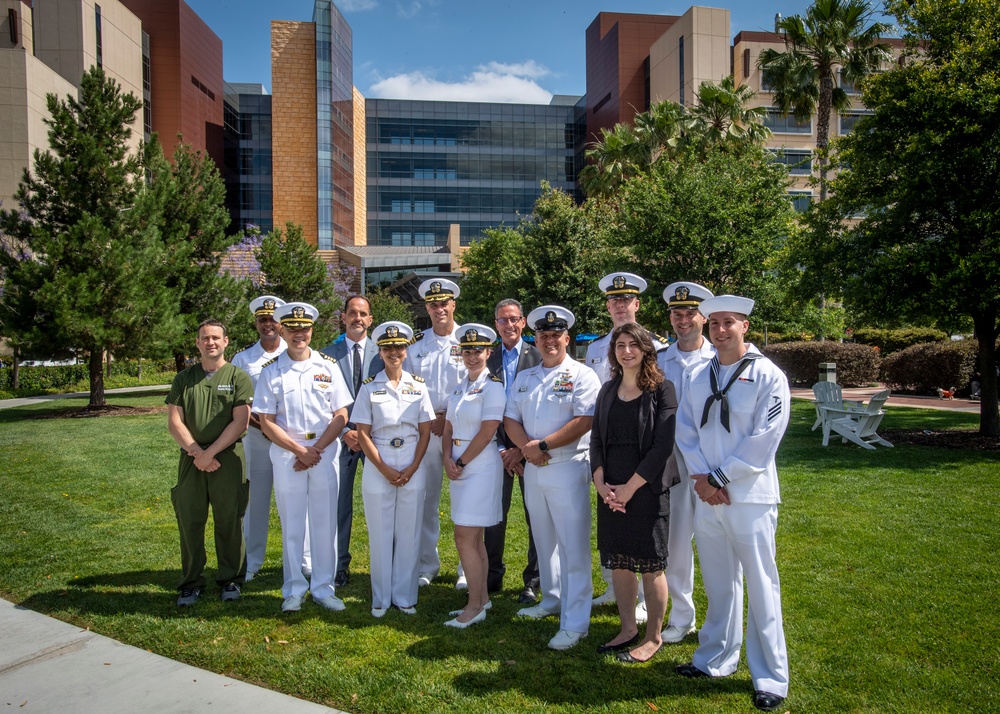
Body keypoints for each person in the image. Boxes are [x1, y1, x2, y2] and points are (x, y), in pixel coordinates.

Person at [673, 295, 791, 713]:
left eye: (730, 323)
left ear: (745, 326)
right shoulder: (700, 375)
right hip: (707, 494)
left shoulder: (767, 375)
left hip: (750, 496)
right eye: (716, 323)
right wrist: (703, 478)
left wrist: (721, 477)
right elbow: (686, 430)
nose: (721, 330)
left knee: (761, 585)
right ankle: (714, 659)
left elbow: (765, 437)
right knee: (720, 583)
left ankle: (771, 677)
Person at [504, 305, 601, 651]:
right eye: (543, 335)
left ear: (566, 338)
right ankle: (552, 598)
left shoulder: (582, 375)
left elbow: (585, 419)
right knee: (543, 539)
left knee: (573, 545)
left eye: (555, 335)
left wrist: (542, 444)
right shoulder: (526, 377)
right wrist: (528, 449)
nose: (549, 341)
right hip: (534, 467)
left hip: (567, 465)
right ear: (537, 339)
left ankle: (576, 621)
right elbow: (510, 418)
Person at [253, 302, 352, 613]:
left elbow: (341, 413)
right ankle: (294, 588)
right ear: (282, 329)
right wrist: (300, 452)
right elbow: (266, 420)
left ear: (312, 330)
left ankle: (324, 587)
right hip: (287, 456)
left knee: (325, 524)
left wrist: (316, 450)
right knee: (293, 525)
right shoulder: (272, 371)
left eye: (304, 329)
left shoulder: (328, 366)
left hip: (323, 453)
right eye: (293, 329)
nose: (299, 334)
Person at [591, 322, 677, 663]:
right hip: (610, 489)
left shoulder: (662, 389)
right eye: (620, 345)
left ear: (646, 350)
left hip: (646, 489)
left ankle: (653, 636)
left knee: (650, 564)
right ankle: (627, 629)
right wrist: (599, 481)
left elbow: (662, 446)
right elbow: (596, 438)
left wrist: (629, 488)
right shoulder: (607, 390)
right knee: (620, 562)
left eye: (633, 345)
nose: (626, 351)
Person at [586, 272, 668, 616]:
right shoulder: (593, 349)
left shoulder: (660, 345)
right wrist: (601, 476)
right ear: (608, 306)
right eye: (614, 301)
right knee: (614, 538)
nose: (620, 305)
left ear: (637, 304)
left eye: (626, 300)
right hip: (610, 449)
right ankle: (615, 589)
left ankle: (657, 605)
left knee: (655, 543)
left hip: (646, 457)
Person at [166, 319, 253, 606]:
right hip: (192, 460)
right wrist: (197, 453)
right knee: (190, 521)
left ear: (226, 341)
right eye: (205, 338)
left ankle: (231, 580)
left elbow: (241, 422)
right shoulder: (184, 378)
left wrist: (211, 453)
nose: (211, 342)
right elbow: (174, 421)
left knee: (229, 520)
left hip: (227, 460)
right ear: (197, 343)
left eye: (216, 337)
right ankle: (191, 582)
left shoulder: (238, 377)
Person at [353, 321, 435, 617]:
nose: (394, 352)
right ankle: (380, 598)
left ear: (406, 350)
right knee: (381, 533)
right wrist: (384, 468)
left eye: (399, 347)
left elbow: (426, 430)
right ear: (380, 351)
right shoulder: (369, 387)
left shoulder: (418, 386)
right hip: (380, 460)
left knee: (409, 532)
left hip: (412, 458)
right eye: (388, 347)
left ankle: (404, 597)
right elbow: (362, 432)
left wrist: (413, 466)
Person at [656, 282, 716, 644]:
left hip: (712, 462)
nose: (683, 320)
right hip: (672, 462)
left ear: (703, 316)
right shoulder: (661, 360)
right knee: (676, 543)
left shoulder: (721, 357)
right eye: (677, 314)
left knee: (715, 543)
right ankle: (682, 616)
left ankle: (721, 620)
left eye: (690, 313)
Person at [402, 278, 466, 588]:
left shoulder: (469, 339)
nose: (439, 308)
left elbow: (474, 385)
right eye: (433, 304)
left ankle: (467, 568)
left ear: (454, 304)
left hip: (461, 431)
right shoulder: (415, 344)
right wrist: (433, 417)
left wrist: (447, 415)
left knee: (465, 498)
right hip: (426, 431)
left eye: (444, 303)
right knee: (425, 500)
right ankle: (427, 564)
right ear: (426, 307)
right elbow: (411, 386)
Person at [442, 324, 505, 628]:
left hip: (479, 466)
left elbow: (488, 429)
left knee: (464, 537)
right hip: (458, 463)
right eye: (466, 351)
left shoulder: (493, 386)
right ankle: (482, 599)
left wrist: (462, 461)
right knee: (474, 539)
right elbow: (449, 428)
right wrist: (446, 458)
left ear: (488, 352)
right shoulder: (458, 387)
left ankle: (473, 605)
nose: (471, 356)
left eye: (477, 350)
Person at [320, 294, 383, 587]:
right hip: (340, 438)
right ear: (343, 317)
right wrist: (345, 432)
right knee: (338, 504)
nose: (358, 318)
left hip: (375, 439)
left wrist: (365, 434)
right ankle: (339, 564)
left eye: (363, 314)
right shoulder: (325, 355)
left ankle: (383, 565)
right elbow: (321, 400)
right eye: (352, 313)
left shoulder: (383, 352)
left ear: (371, 320)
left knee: (381, 502)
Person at [484, 298, 541, 604]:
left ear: (523, 322)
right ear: (496, 325)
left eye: (514, 319)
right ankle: (492, 575)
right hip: (495, 448)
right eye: (502, 320)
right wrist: (503, 448)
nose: (508, 325)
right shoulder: (486, 357)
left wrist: (520, 449)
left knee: (536, 516)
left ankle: (533, 580)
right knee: (494, 516)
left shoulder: (538, 356)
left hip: (530, 448)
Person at [230, 295, 288, 582]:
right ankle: (252, 561)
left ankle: (301, 561)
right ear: (256, 323)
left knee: (294, 501)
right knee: (256, 502)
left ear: (281, 323)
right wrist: (264, 427)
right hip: (257, 438)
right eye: (262, 319)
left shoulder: (296, 351)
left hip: (291, 442)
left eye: (272, 319)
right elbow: (240, 402)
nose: (268, 324)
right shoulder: (243, 359)